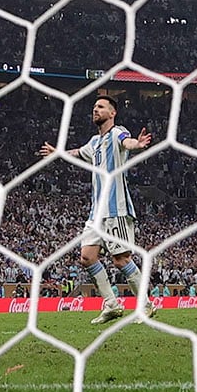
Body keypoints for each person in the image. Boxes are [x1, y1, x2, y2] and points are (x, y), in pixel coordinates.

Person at [40, 95, 156, 325]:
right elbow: (78, 152)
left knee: (121, 260)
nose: (96, 110)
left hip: (116, 209)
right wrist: (59, 153)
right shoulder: (94, 142)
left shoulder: (117, 133)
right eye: (94, 107)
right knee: (87, 257)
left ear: (112, 113)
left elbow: (128, 142)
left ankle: (146, 305)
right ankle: (112, 305)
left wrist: (138, 144)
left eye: (101, 107)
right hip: (96, 214)